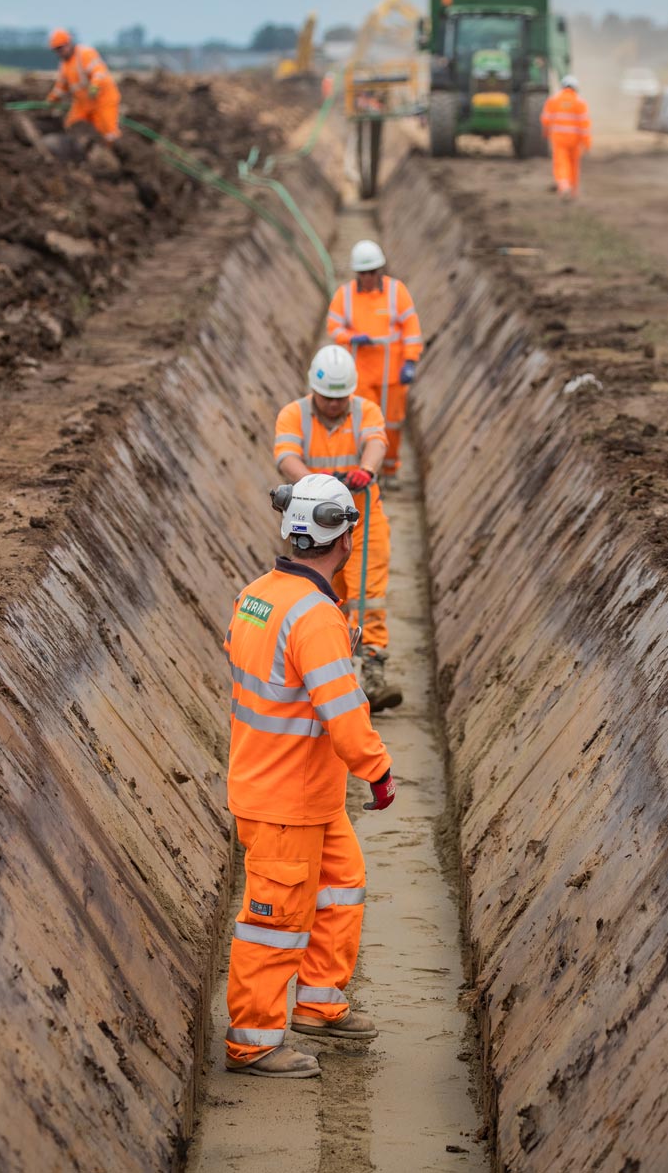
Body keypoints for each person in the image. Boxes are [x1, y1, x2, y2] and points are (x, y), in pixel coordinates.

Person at [224, 473, 396, 1078]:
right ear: (344, 538)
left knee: (340, 886)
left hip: (298, 789)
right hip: (284, 799)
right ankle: (253, 1043)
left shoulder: (258, 594)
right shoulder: (316, 618)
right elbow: (345, 715)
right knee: (275, 921)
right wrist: (377, 770)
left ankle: (320, 1003)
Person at [274, 344, 402, 712]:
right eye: (327, 397)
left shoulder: (366, 411)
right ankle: (331, 668)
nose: (334, 404)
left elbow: (376, 443)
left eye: (340, 397)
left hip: (362, 519)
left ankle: (373, 666)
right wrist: (320, 484)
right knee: (325, 594)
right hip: (313, 525)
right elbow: (286, 457)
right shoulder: (293, 415)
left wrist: (368, 470)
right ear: (314, 389)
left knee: (369, 592)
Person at [326, 240, 423, 487]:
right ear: (356, 273)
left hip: (392, 374)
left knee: (391, 423)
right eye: (363, 273)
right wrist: (351, 337)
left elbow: (411, 328)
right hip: (361, 375)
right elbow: (333, 327)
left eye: (372, 272)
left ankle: (390, 470)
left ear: (380, 270)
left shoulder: (396, 292)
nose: (368, 277)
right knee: (364, 425)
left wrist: (410, 361)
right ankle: (366, 471)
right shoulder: (345, 295)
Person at [47, 28, 121, 141]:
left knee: (107, 132)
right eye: (56, 50)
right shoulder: (64, 65)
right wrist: (52, 99)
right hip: (83, 103)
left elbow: (99, 72)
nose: (59, 53)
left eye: (60, 49)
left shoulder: (85, 54)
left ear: (68, 44)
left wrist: (95, 85)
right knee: (72, 125)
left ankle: (112, 153)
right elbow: (61, 87)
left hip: (102, 99)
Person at [541, 74, 591, 198]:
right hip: (575, 140)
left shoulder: (553, 100)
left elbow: (546, 119)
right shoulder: (580, 102)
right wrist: (587, 143)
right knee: (574, 164)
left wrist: (546, 132)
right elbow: (584, 125)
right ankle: (574, 191)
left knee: (561, 162)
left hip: (559, 139)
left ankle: (563, 186)